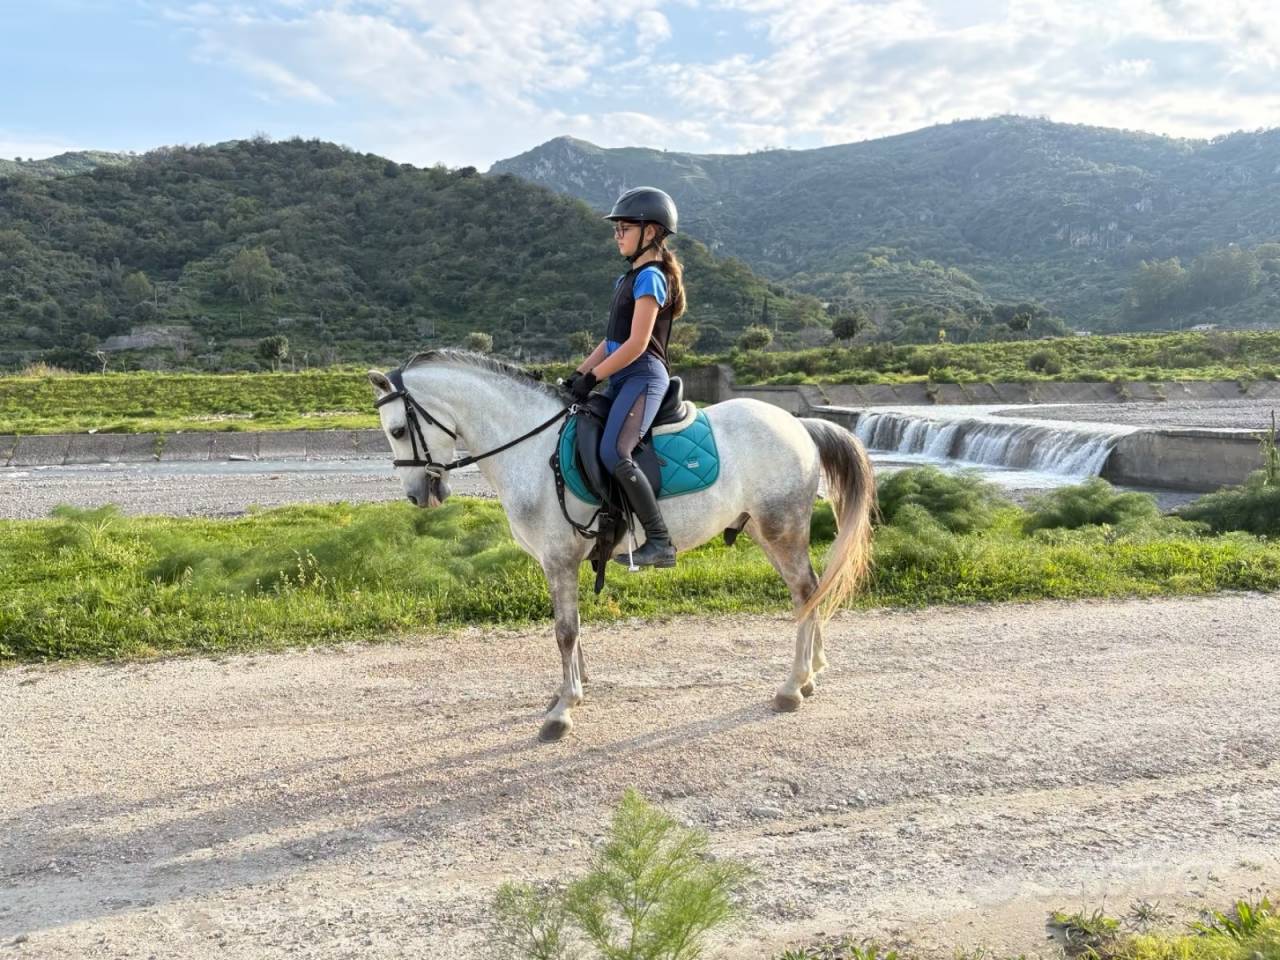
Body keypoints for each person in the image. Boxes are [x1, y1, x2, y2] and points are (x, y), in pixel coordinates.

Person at [564, 186, 686, 568]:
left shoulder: (651, 277)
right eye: (615, 228)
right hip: (622, 377)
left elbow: (636, 345)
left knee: (615, 451)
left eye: (624, 228)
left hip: (644, 376)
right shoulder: (625, 280)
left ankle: (661, 541)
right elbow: (611, 341)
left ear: (650, 232)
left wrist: (595, 376)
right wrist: (580, 375)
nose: (617, 234)